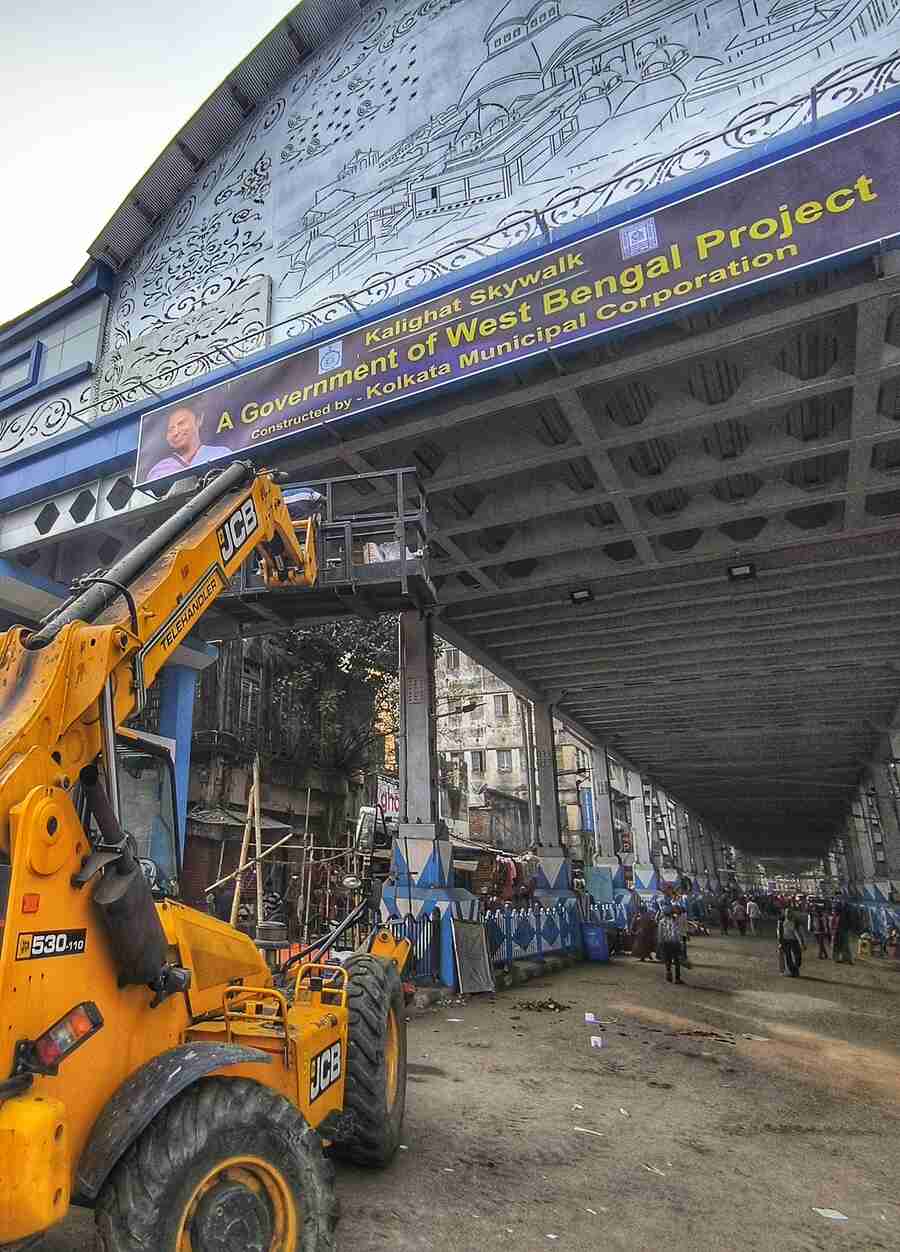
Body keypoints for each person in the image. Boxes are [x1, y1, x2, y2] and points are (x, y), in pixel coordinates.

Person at [146, 405, 231, 481]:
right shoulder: (159, 470)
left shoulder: (220, 453)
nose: (176, 432)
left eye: (181, 424)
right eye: (170, 429)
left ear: (198, 420)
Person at [657, 904, 685, 984]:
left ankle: (668, 975)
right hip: (674, 943)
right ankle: (677, 978)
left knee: (668, 960)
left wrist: (660, 944)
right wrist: (680, 943)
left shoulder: (661, 922)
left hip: (665, 943)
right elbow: (677, 933)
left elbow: (660, 934)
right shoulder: (675, 921)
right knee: (677, 961)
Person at [778, 907, 805, 977]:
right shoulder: (781, 920)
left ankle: (795, 969)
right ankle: (792, 971)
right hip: (785, 940)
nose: (787, 914)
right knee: (788, 956)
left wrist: (802, 943)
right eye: (786, 912)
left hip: (794, 940)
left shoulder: (795, 921)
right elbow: (779, 931)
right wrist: (780, 942)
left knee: (798, 957)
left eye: (789, 912)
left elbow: (798, 932)